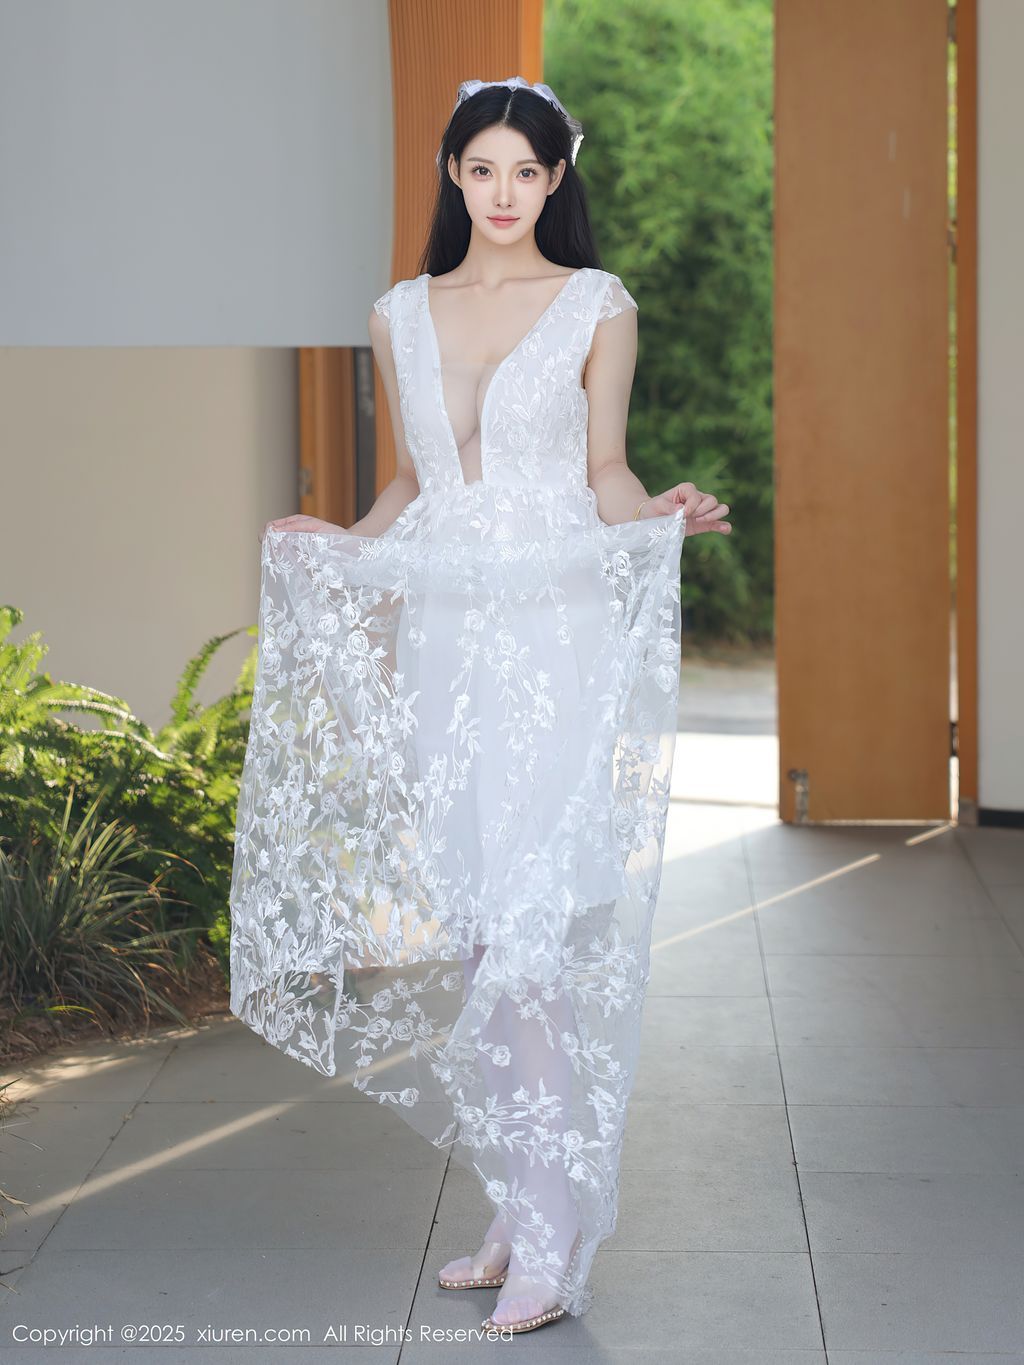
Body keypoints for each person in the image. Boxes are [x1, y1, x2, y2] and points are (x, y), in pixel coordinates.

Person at [228, 75, 732, 1337]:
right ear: (454, 176)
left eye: (527, 171)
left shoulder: (597, 305)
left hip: (551, 635)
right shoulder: (399, 312)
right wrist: (342, 541)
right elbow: (415, 483)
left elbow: (603, 469)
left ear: (556, 180)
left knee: (529, 937)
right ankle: (516, 1201)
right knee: (474, 937)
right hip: (447, 642)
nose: (504, 193)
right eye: (482, 169)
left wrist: (654, 519)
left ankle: (553, 1235)